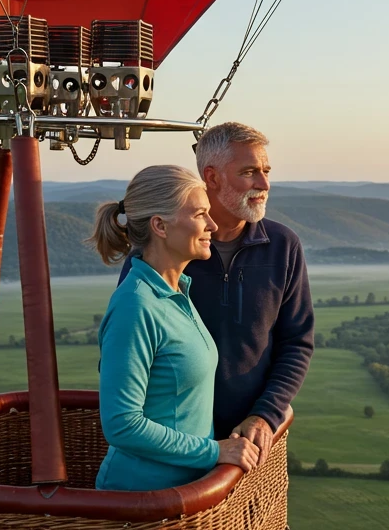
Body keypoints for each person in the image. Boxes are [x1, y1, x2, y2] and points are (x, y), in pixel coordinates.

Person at [118, 122, 313, 462]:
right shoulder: (162, 256)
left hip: (250, 446)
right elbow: (127, 361)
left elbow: (296, 341)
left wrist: (265, 414)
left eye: (266, 171)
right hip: (175, 451)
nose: (264, 184)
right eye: (249, 172)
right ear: (211, 177)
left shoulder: (282, 247)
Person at [89, 165, 259, 491]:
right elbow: (122, 424)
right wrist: (214, 451)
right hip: (139, 502)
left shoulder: (176, 290)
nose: (212, 225)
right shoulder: (136, 305)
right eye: (199, 214)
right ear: (160, 226)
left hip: (178, 496)